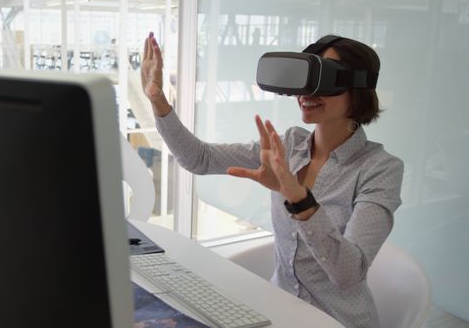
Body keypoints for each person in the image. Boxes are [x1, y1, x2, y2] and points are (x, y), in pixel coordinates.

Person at [140, 31, 403, 328]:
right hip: (276, 310)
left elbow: (348, 272)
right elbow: (199, 158)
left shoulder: (380, 169)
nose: (306, 93)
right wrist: (157, 99)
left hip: (335, 320)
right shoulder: (289, 145)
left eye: (323, 80)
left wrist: (299, 199)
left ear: (358, 88)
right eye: (304, 80)